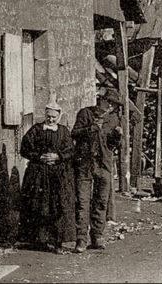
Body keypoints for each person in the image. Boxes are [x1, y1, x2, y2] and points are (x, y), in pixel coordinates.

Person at [19, 94, 76, 254]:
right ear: (45, 115)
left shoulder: (64, 132)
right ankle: (40, 241)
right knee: (39, 206)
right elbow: (24, 148)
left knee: (57, 207)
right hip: (38, 174)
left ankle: (57, 241)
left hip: (58, 176)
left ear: (59, 116)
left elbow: (71, 150)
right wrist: (39, 157)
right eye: (48, 116)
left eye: (53, 117)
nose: (50, 120)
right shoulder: (36, 130)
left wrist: (58, 157)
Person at [71, 89, 123, 253]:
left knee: (101, 201)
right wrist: (91, 128)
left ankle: (97, 236)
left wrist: (117, 136)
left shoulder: (114, 119)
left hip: (104, 164)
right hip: (85, 163)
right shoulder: (85, 113)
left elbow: (113, 145)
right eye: (108, 102)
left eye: (113, 104)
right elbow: (74, 133)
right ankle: (81, 239)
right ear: (100, 100)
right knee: (82, 202)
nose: (110, 106)